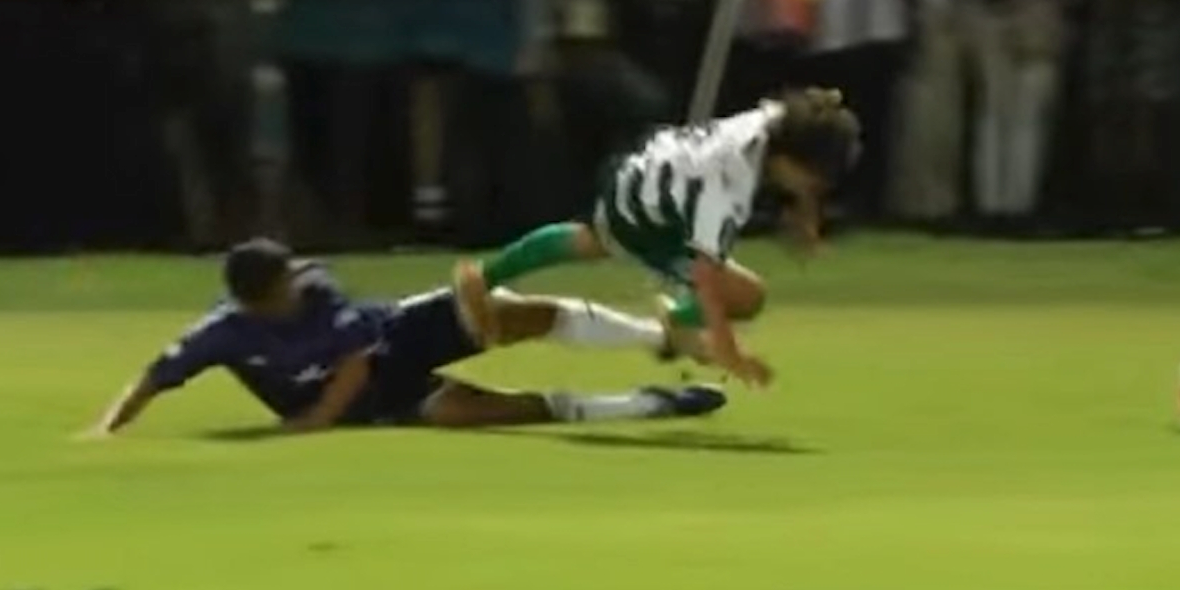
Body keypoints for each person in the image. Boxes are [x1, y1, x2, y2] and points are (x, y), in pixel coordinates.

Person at [84, 238, 725, 437]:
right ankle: (651, 404)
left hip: (391, 339)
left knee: (511, 314)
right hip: (376, 402)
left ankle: (658, 336)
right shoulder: (221, 333)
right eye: (285, 281)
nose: (299, 279)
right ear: (259, 299)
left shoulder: (319, 290)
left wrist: (315, 422)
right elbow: (157, 375)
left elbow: (354, 364)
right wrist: (107, 429)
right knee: (501, 413)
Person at [452, 87, 861, 389]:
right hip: (647, 217)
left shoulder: (779, 119)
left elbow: (810, 134)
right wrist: (729, 353)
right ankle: (677, 323)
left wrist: (806, 216)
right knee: (746, 296)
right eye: (813, 178)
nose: (815, 187)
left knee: (591, 240)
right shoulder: (728, 188)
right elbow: (706, 278)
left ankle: (484, 276)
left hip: (645, 168)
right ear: (789, 159)